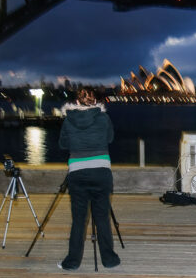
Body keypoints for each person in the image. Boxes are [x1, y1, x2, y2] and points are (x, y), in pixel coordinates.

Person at [58, 88, 120, 270]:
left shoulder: (69, 120)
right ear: (95, 102)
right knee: (102, 217)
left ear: (77, 102)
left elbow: (63, 144)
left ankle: (72, 262)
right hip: (101, 171)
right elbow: (110, 138)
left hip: (77, 172)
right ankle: (109, 260)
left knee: (79, 219)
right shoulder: (103, 118)